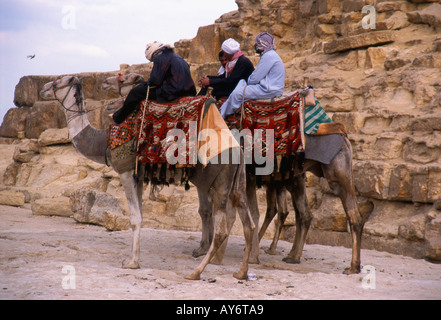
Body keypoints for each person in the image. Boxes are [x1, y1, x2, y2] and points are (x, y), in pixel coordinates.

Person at [113, 42, 197, 124]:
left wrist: (145, 85)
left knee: (135, 92)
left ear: (154, 54)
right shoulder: (178, 58)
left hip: (171, 92)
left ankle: (118, 117)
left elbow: (155, 80)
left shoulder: (161, 58)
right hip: (188, 91)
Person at [219, 32, 285, 119]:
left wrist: (249, 81)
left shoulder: (268, 56)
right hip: (269, 87)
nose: (255, 45)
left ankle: (220, 116)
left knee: (237, 94)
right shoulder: (270, 55)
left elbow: (254, 79)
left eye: (257, 43)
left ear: (262, 45)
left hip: (269, 90)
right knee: (241, 83)